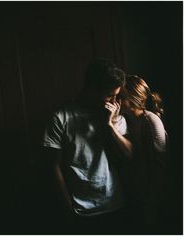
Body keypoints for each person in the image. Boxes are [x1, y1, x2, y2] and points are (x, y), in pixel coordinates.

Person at [42, 58, 132, 234]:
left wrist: (110, 126)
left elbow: (128, 155)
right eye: (110, 95)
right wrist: (68, 209)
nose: (115, 101)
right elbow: (53, 167)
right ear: (92, 89)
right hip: (81, 213)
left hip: (115, 206)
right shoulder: (61, 117)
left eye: (117, 95)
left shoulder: (114, 114)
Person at [120, 75, 168, 234]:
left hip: (153, 193)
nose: (116, 101)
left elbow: (160, 166)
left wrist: (152, 201)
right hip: (136, 190)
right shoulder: (125, 120)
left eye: (121, 97)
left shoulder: (152, 122)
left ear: (132, 99)